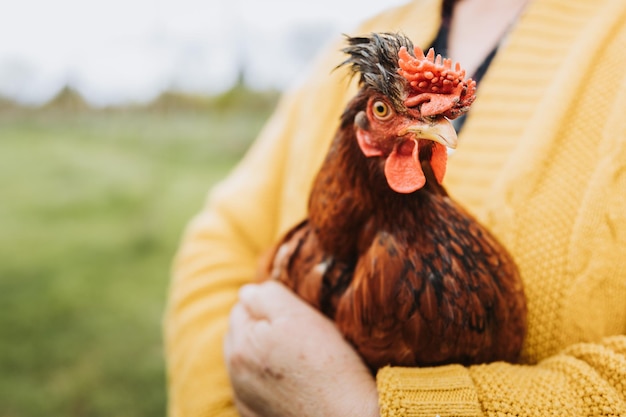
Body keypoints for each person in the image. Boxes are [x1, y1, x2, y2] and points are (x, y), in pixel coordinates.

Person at [164, 0, 626, 415]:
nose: (434, 127)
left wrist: (357, 407)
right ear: (363, 125)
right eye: (386, 112)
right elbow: (220, 240)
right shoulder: (362, 38)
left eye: (438, 118)